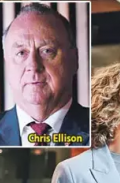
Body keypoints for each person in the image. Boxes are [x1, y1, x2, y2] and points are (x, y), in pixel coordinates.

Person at [0, 3, 89, 147]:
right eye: (21, 53)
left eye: (47, 51)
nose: (33, 66)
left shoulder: (102, 130)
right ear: (7, 64)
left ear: (74, 59)